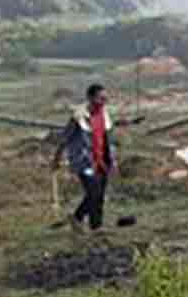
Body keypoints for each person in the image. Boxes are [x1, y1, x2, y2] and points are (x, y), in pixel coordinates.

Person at [51, 84, 143, 234]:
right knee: (93, 193)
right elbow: (64, 139)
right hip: (85, 161)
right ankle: (81, 219)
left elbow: (111, 126)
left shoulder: (104, 114)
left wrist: (130, 122)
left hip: (102, 160)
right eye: (100, 98)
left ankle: (93, 225)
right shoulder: (79, 117)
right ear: (90, 98)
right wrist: (57, 159)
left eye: (105, 99)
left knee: (99, 195)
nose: (103, 102)